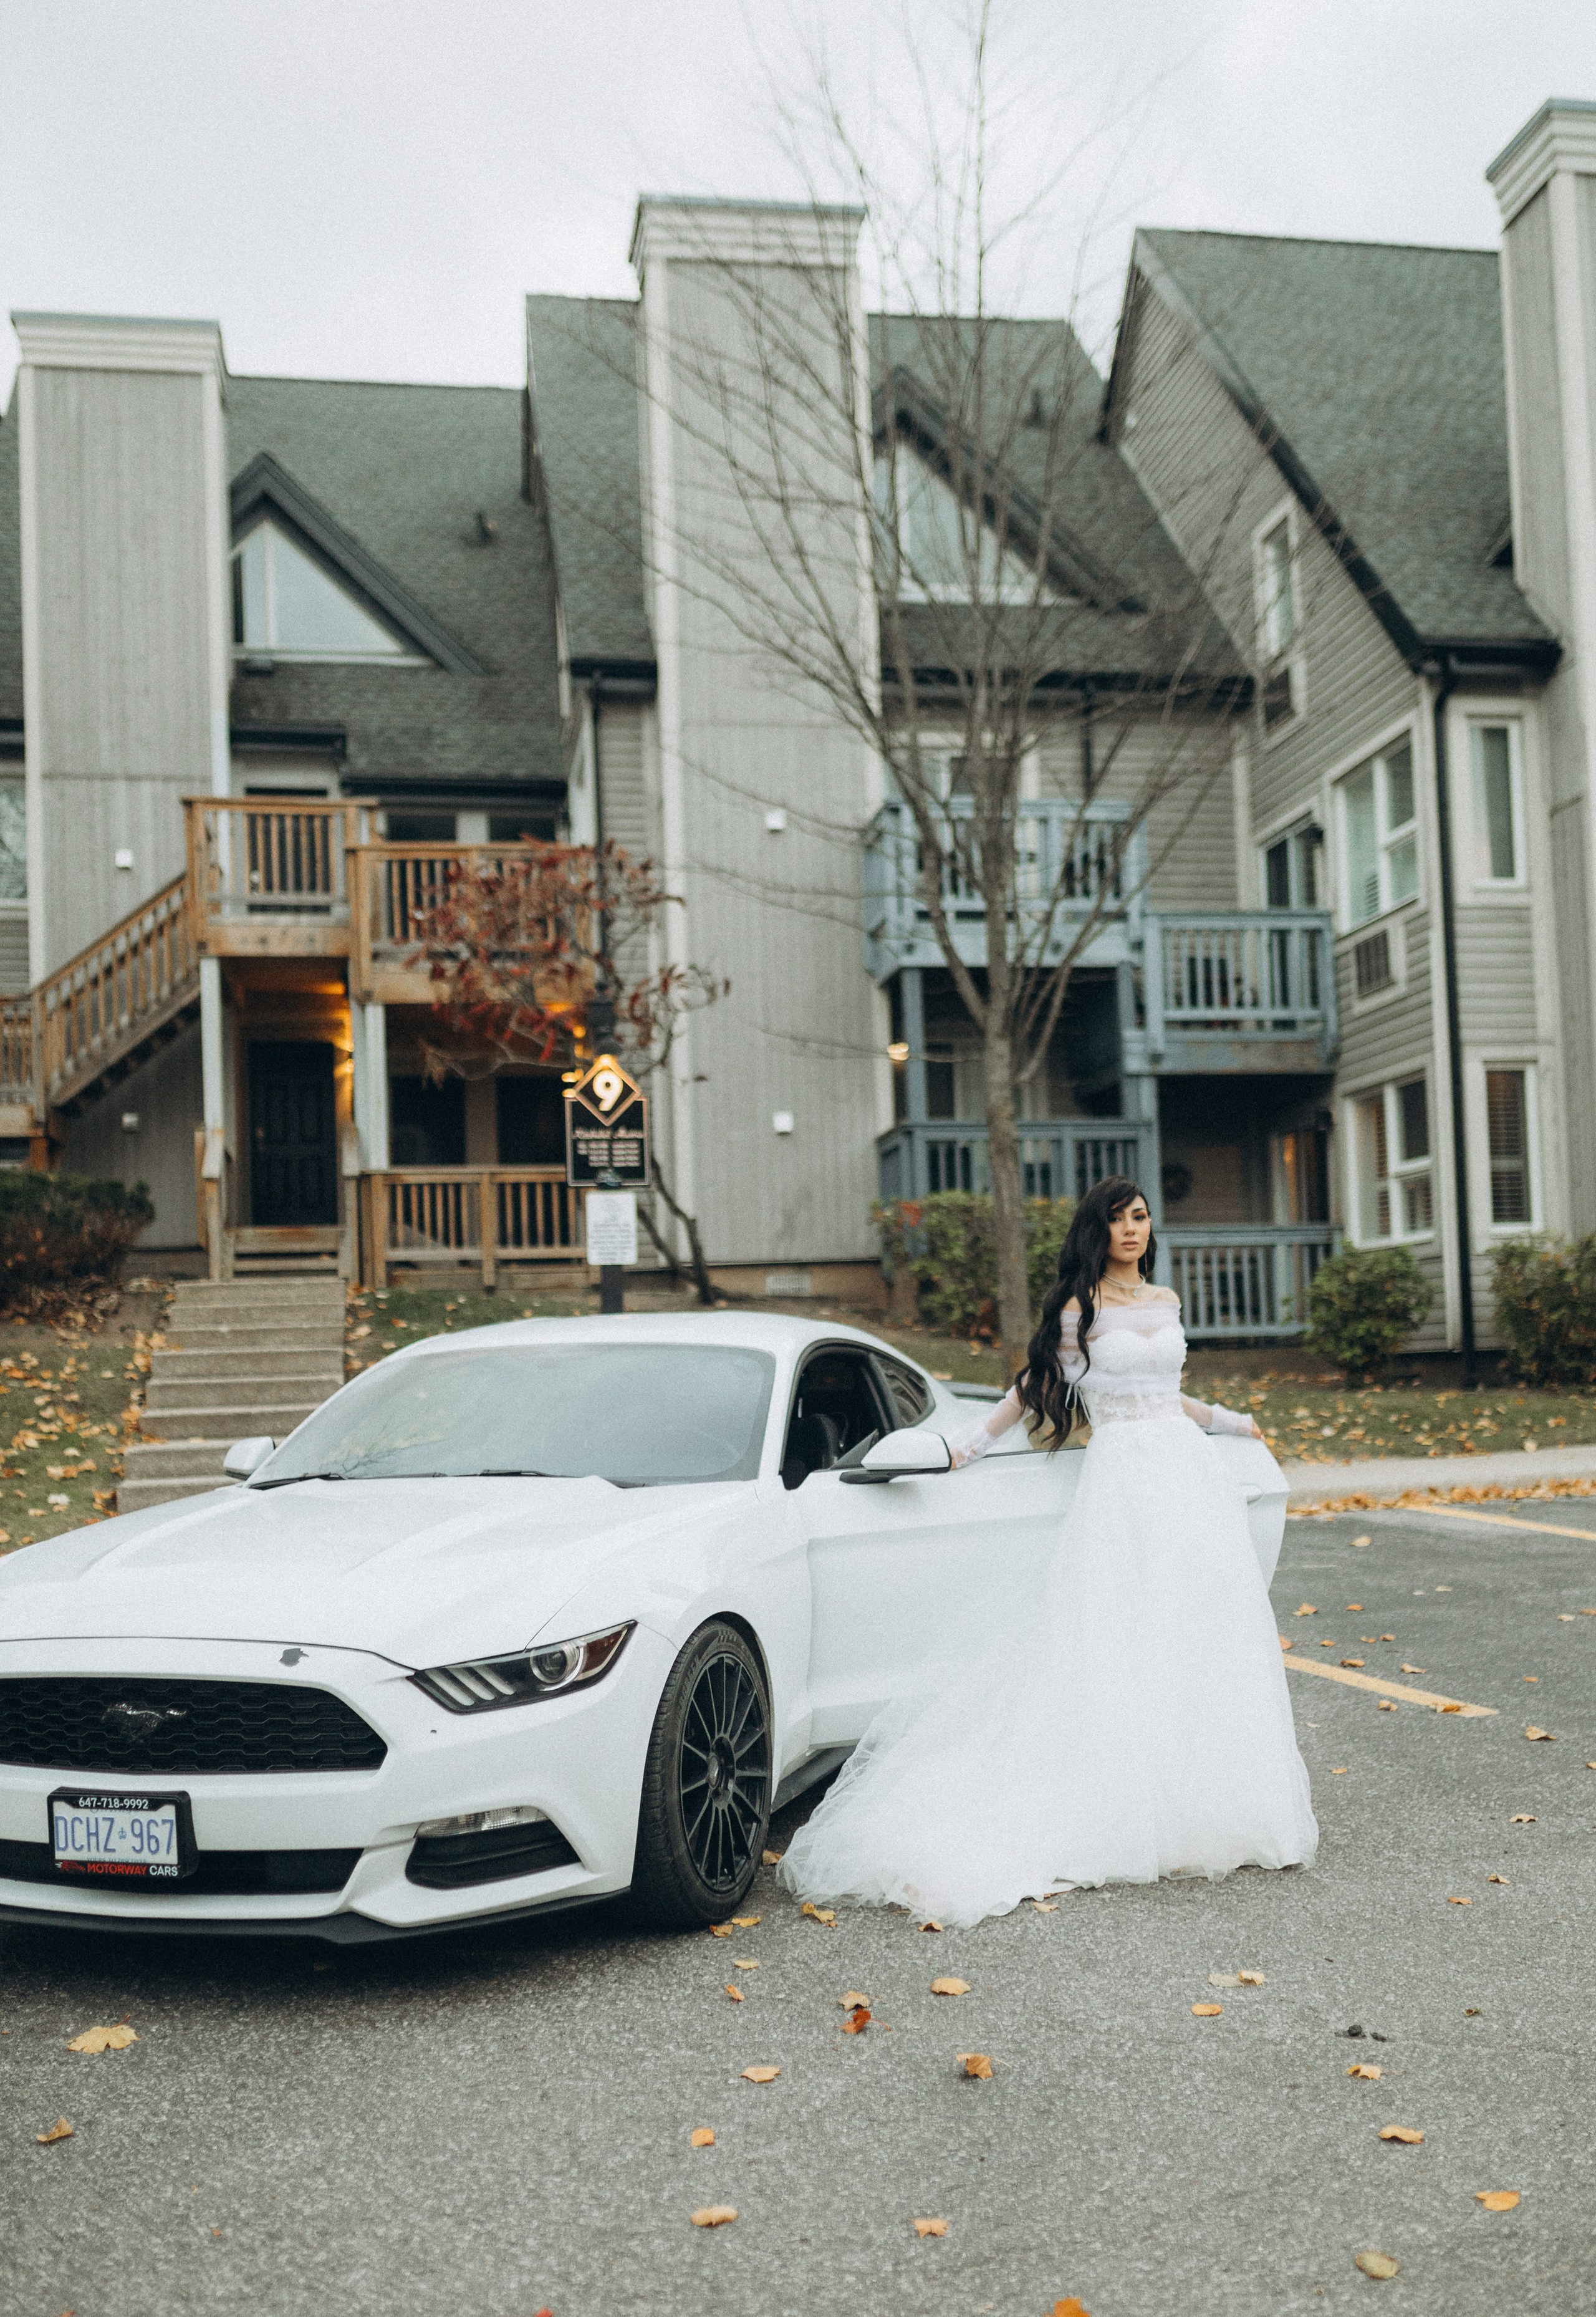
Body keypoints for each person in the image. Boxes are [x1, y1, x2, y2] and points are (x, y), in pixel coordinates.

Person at [780, 1177, 1317, 1925]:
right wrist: (967, 1445)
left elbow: (1173, 1393)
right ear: (1096, 1229)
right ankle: (1114, 1808)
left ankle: (1201, 1807)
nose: (1132, 1228)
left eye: (1139, 1216)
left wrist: (1231, 1420)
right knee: (1115, 1634)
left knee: (1196, 1632)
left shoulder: (1164, 1301)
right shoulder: (1077, 1309)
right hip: (1124, 1478)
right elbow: (1035, 1385)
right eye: (1116, 1218)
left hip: (1185, 1475)